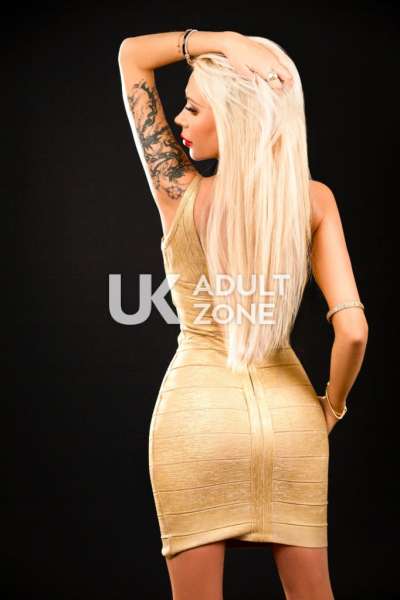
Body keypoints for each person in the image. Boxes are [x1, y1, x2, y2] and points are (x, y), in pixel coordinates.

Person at [118, 30, 368, 600]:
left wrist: (218, 41)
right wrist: (331, 407)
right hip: (291, 422)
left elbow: (132, 56)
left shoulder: (178, 192)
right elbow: (353, 331)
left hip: (196, 419)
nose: (179, 119)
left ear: (233, 120)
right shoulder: (314, 201)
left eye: (193, 108)